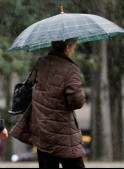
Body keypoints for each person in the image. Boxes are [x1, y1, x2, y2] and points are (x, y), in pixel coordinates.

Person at [11, 38, 86, 168]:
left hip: (43, 131)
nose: (73, 50)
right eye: (73, 46)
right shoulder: (71, 68)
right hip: (63, 133)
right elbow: (76, 101)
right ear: (67, 47)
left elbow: (28, 87)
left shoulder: (41, 63)